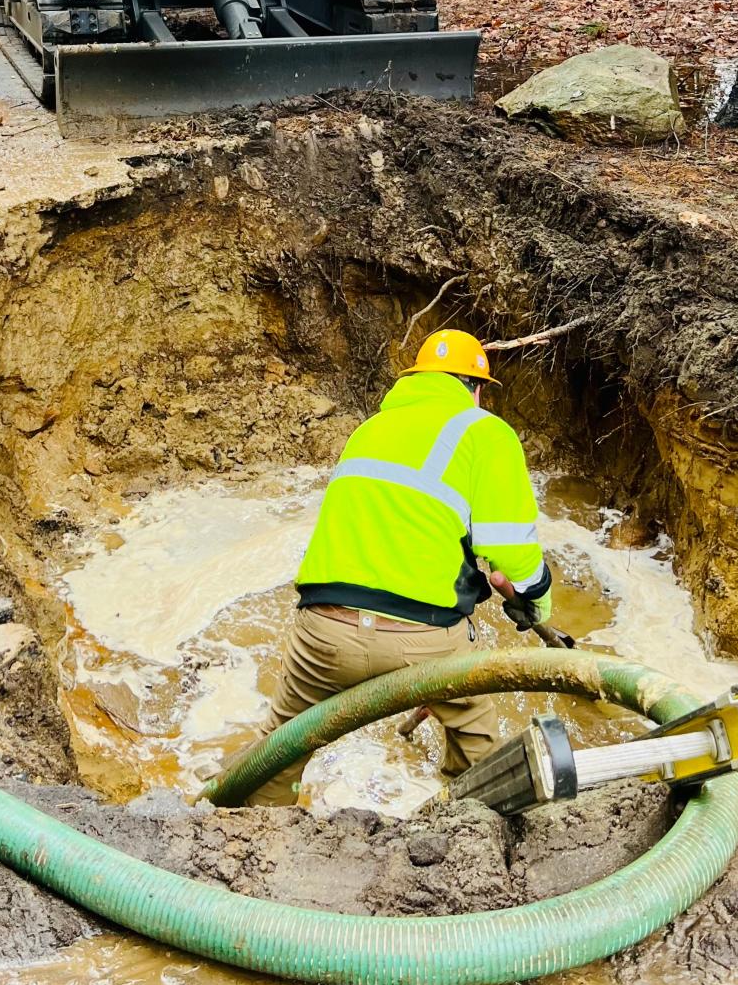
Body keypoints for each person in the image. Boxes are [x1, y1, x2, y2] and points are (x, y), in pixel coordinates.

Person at [237, 329, 553, 807]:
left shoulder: (370, 429)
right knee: (476, 735)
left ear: (415, 380)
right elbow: (511, 549)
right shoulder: (484, 430)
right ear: (477, 388)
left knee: (278, 747)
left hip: (323, 630)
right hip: (422, 643)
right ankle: (474, 823)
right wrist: (538, 599)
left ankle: (246, 831)